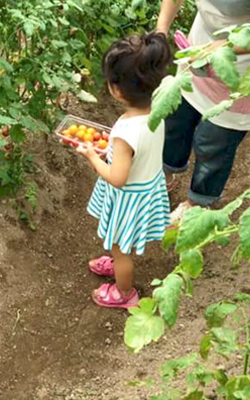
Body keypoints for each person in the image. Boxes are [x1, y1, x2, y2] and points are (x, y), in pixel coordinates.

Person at [156, 0, 250, 222]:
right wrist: (161, 30)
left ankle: (197, 204)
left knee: (214, 143)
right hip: (201, 44)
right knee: (177, 119)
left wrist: (224, 47)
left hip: (245, 63)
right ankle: (163, 178)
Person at [77, 32, 172, 309]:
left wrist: (93, 156)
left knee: (122, 249)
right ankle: (118, 266)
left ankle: (124, 293)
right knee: (121, 244)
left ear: (117, 89)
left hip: (128, 198)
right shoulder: (156, 110)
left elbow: (117, 178)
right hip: (147, 187)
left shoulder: (125, 134)